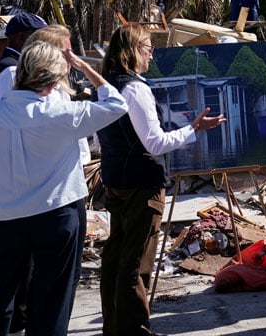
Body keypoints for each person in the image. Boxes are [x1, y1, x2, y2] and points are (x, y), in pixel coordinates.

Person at [0, 41, 128, 336]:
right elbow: (117, 104)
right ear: (55, 80)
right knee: (52, 301)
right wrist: (86, 67)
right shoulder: (64, 115)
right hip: (57, 216)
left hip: (3, 220)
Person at [97, 24, 226, 336]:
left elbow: (100, 139)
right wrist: (193, 130)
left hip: (116, 178)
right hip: (141, 182)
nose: (151, 53)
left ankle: (115, 327)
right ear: (129, 52)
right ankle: (134, 329)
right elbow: (154, 142)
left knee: (116, 258)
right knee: (136, 261)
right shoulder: (134, 87)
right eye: (145, 47)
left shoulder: (105, 86)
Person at [0, 12, 48, 102]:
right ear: (23, 38)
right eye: (41, 38)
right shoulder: (11, 70)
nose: (45, 43)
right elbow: (10, 109)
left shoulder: (17, 63)